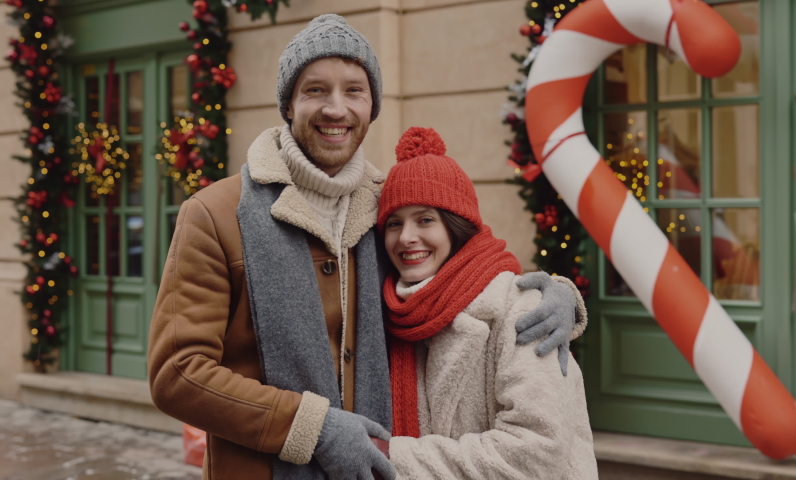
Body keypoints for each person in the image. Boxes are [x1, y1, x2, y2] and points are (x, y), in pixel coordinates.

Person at [147, 14, 578, 480]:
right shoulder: (215, 214)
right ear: (289, 104)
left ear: (372, 106)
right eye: (315, 90)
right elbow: (177, 372)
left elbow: (467, 262)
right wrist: (311, 427)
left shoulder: (388, 209)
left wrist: (554, 294)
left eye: (354, 90)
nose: (337, 108)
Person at [378, 127, 598, 479]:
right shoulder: (393, 313)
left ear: (456, 225)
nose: (406, 237)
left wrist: (392, 455)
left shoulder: (525, 309)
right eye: (393, 223)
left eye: (425, 220)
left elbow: (535, 456)